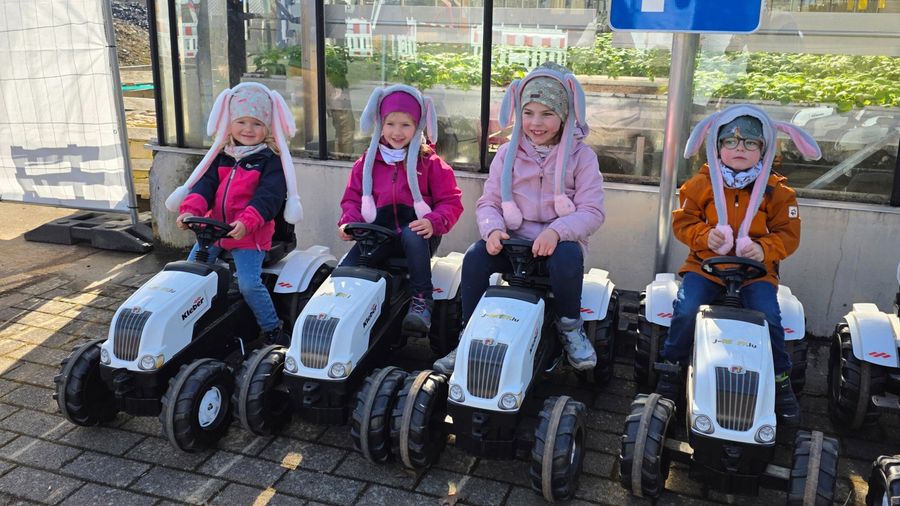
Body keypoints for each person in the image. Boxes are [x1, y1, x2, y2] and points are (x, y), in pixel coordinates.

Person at [433, 62, 606, 374]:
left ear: (565, 115)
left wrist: (557, 231)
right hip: (514, 241)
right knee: (475, 256)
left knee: (569, 257)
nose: (536, 123)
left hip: (558, 244)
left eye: (547, 114)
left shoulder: (582, 157)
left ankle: (569, 326)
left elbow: (592, 211)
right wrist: (493, 229)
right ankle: (468, 332)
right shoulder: (507, 153)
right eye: (528, 113)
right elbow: (489, 202)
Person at [655, 104, 822, 426]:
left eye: (750, 142)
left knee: (769, 317)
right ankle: (672, 366)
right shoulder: (700, 184)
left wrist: (763, 249)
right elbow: (683, 223)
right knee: (686, 309)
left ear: (765, 148)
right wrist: (705, 236)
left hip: (755, 274)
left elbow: (788, 235)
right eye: (730, 142)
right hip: (706, 266)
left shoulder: (778, 191)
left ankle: (780, 379)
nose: (739, 149)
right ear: (716, 146)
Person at [164, 82, 304, 346]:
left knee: (249, 284)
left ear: (268, 127)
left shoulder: (270, 162)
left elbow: (268, 198)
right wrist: (189, 210)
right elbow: (204, 187)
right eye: (241, 122)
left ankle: (273, 330)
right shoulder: (222, 157)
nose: (248, 129)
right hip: (213, 231)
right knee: (187, 276)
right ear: (229, 123)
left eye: (257, 123)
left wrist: (246, 222)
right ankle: (184, 326)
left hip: (250, 236)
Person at [337, 84, 463, 334]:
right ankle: (343, 313)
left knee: (411, 233)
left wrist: (433, 221)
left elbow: (451, 202)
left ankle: (421, 300)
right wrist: (348, 222)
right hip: (378, 234)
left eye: (405, 125)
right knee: (345, 272)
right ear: (380, 124)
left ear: (418, 125)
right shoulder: (367, 163)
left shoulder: (430, 163)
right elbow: (352, 198)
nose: (397, 132)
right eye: (390, 124)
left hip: (418, 235)